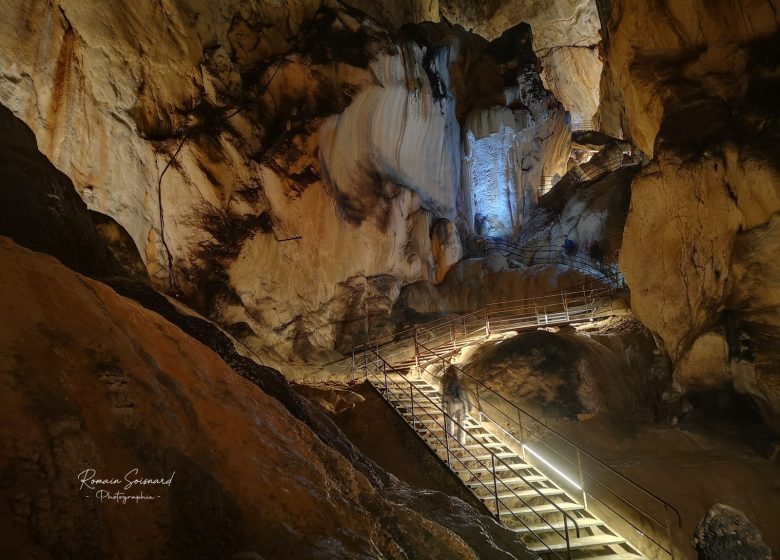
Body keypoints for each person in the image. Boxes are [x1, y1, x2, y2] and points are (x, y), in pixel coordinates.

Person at [440, 364, 468, 445]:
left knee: (449, 418)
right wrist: (465, 405)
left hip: (452, 402)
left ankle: (449, 435)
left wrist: (443, 403)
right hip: (461, 403)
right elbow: (462, 393)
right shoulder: (458, 380)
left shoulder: (448, 380)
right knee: (462, 422)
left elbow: (446, 392)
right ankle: (461, 441)